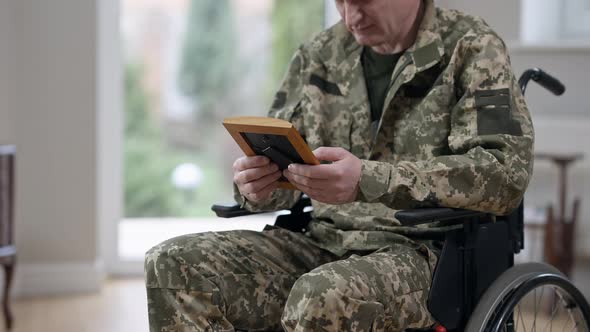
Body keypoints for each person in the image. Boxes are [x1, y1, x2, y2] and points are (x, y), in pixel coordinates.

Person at [145, 0, 534, 331]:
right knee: (173, 263)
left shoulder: (472, 48)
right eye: (340, 1)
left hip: (423, 252)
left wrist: (369, 179)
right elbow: (284, 165)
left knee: (322, 296)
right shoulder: (320, 55)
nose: (351, 17)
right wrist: (254, 186)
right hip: (323, 241)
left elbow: (504, 173)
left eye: (362, 0)